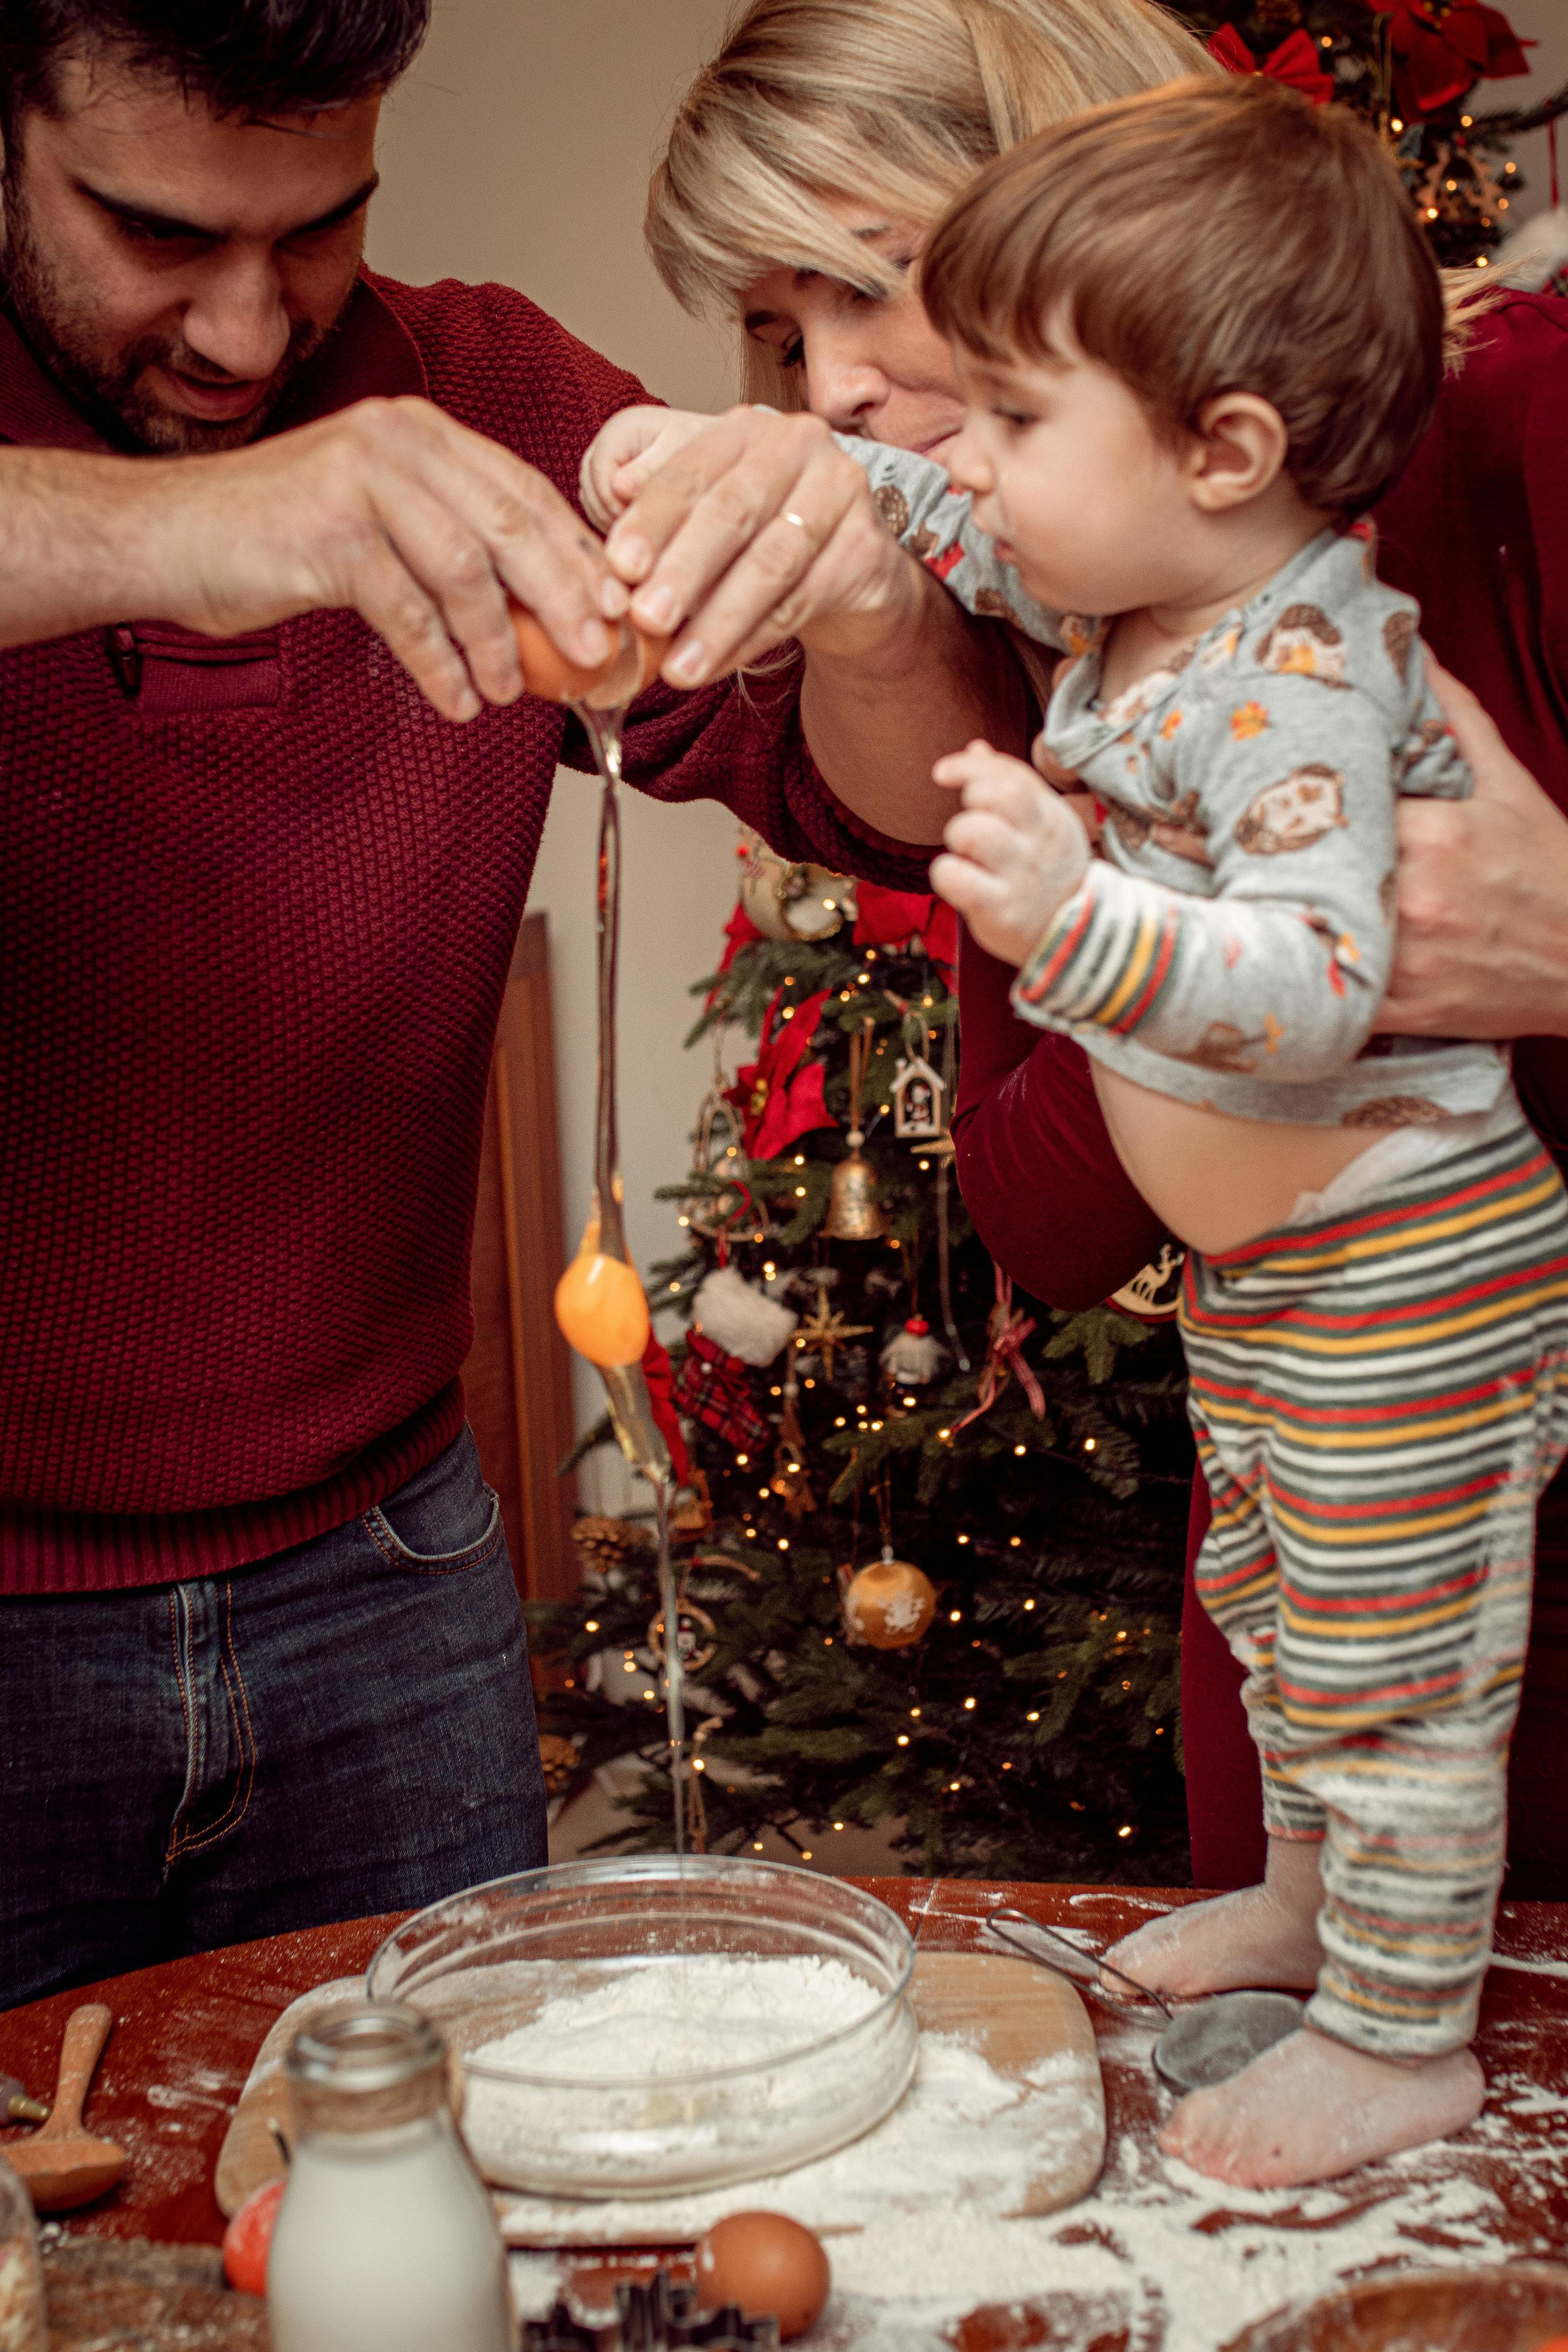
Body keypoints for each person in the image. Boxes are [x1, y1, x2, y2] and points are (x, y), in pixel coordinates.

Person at [0, 0, 1028, 2010]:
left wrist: (864, 594)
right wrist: (183, 533)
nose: (244, 330)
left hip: (391, 1587)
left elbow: (895, 810)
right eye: (158, 235)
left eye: (317, 228)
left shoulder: (492, 398)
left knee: (468, 2169)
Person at [595, 0, 1568, 1901]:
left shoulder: (1519, 430)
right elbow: (1054, 1218)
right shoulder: (1091, 621)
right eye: (781, 335)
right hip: (1297, 1472)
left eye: (870, 281)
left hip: (1459, 1411)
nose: (831, 390)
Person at [919, 75, 1568, 2189]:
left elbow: (1311, 987)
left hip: (1408, 1262)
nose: (967, 454)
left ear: (1222, 452)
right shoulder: (1135, 602)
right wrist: (793, 479)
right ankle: (1308, 1912)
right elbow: (936, 522)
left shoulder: (1295, 680)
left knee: (1395, 1668)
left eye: (1013, 415)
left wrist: (1069, 925)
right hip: (1281, 1272)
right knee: (1278, 1607)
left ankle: (1400, 2037)